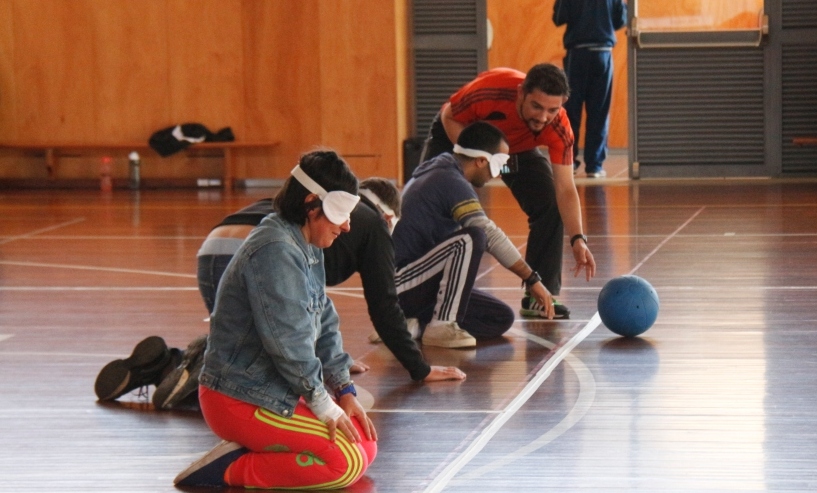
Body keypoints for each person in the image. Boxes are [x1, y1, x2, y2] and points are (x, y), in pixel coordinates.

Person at [94, 177, 465, 410]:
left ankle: (166, 363)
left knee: (241, 342)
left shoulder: (311, 209)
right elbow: (384, 306)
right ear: (389, 218)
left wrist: (328, 358)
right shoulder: (371, 226)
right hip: (255, 256)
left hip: (214, 248)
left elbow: (313, 306)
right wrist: (420, 368)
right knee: (264, 371)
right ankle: (193, 374)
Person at [173, 150, 376, 489]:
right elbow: (289, 342)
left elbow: (324, 317)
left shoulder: (305, 243)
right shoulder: (275, 249)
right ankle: (228, 469)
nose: (347, 225)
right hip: (240, 398)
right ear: (311, 202)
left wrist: (345, 390)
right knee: (347, 462)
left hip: (275, 392)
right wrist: (323, 403)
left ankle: (256, 451)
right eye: (340, 213)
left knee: (365, 446)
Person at [418, 62, 596, 319]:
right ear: (522, 92)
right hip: (459, 133)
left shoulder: (559, 128)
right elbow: (450, 116)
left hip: (517, 148)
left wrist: (577, 238)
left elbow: (565, 188)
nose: (543, 117)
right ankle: (416, 296)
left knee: (549, 203)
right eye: (536, 106)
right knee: (433, 205)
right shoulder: (489, 92)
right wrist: (477, 160)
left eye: (552, 110)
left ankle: (539, 295)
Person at [393, 121, 553, 349]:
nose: (497, 175)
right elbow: (489, 234)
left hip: (420, 282)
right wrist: (531, 278)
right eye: (498, 166)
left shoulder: (441, 168)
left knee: (499, 317)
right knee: (472, 237)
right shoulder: (450, 180)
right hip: (402, 285)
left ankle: (411, 326)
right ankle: (441, 325)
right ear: (480, 161)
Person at [553, 0, 628, 178]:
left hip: (577, 54)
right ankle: (594, 166)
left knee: (571, 110)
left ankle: (569, 161)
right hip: (603, 52)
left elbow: (559, 18)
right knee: (599, 110)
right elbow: (621, 20)